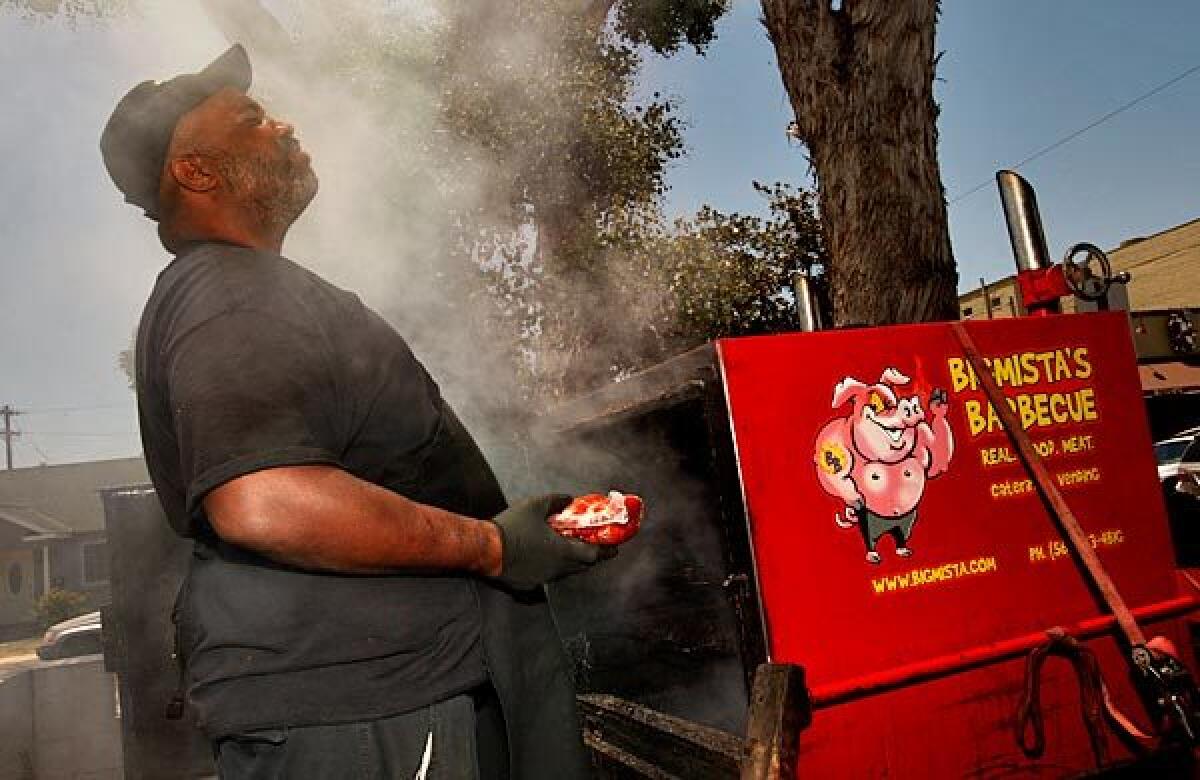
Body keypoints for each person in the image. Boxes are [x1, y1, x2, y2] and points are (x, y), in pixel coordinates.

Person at [100, 44, 613, 779]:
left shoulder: (247, 289)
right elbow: (264, 501)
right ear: (196, 171)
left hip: (384, 706)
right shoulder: (226, 290)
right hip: (369, 717)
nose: (282, 125)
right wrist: (495, 548)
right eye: (251, 119)